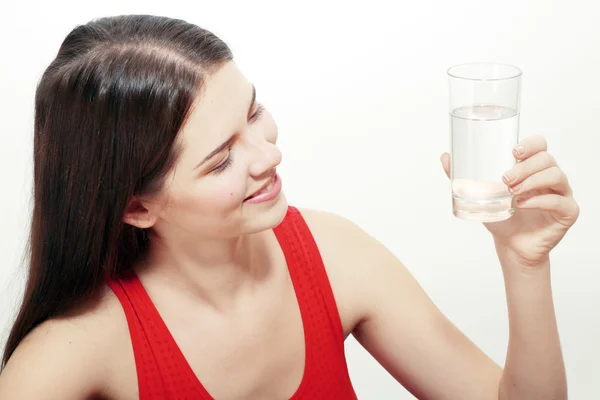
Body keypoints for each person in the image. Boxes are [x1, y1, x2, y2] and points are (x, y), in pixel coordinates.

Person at [0, 14, 579, 400]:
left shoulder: (335, 255)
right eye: (221, 159)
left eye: (252, 113)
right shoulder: (75, 351)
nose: (268, 153)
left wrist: (524, 262)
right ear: (136, 208)